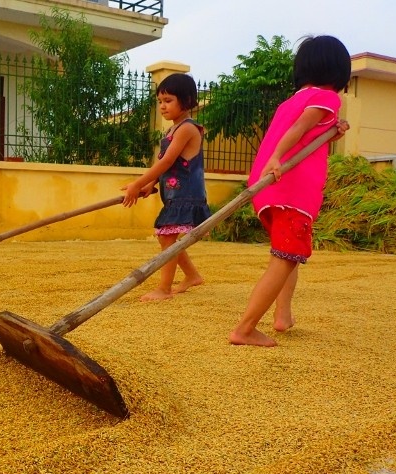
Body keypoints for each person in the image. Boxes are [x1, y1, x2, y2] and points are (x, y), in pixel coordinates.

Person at [229, 35, 352, 347]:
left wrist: (331, 131)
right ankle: (244, 329)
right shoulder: (328, 98)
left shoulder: (292, 99)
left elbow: (305, 135)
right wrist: (276, 159)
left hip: (268, 186)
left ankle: (283, 316)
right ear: (337, 71)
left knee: (289, 253)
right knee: (284, 257)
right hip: (290, 190)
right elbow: (296, 130)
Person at [121, 73, 211, 301]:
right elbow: (165, 166)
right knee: (166, 238)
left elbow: (167, 162)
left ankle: (164, 289)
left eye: (168, 100)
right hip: (174, 194)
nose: (162, 106)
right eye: (160, 101)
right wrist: (149, 184)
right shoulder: (172, 130)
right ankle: (192, 275)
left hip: (186, 195)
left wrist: (137, 183)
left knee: (168, 239)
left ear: (187, 100)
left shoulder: (187, 129)